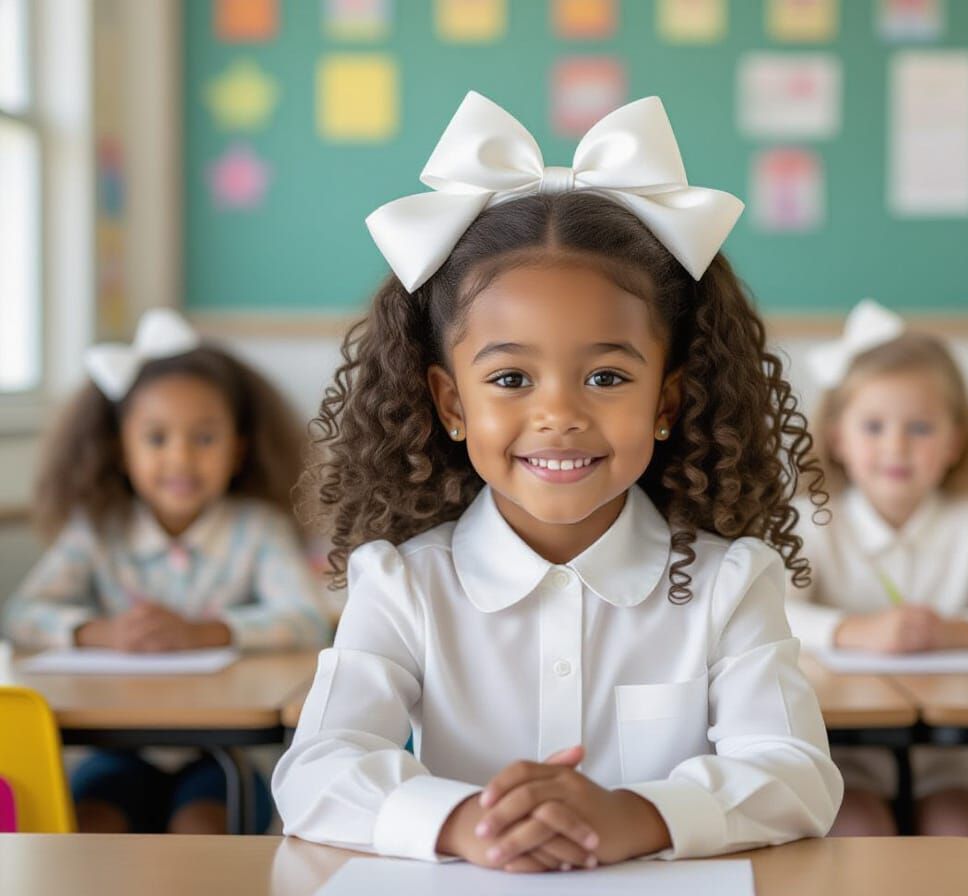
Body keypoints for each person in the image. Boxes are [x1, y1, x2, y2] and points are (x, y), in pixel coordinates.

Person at [272, 92, 842, 872]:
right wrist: (465, 822)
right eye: (510, 377)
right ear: (451, 403)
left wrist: (636, 816)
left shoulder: (731, 582)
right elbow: (314, 772)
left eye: (607, 375)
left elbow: (798, 774)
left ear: (667, 400)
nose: (559, 415)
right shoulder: (402, 583)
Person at [4, 308, 330, 834]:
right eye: (156, 439)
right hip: (119, 753)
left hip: (220, 755)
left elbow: (307, 618)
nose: (180, 459)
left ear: (238, 448)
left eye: (203, 439)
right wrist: (95, 631)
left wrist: (205, 633)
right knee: (92, 827)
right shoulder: (98, 530)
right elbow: (23, 615)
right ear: (121, 448)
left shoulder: (257, 529)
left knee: (200, 827)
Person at [786, 299, 968, 838]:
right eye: (873, 426)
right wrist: (852, 630)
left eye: (919, 427)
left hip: (954, 763)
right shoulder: (812, 522)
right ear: (839, 437)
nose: (896, 446)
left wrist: (956, 631)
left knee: (957, 829)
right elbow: (769, 612)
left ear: (955, 442)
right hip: (842, 754)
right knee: (858, 831)